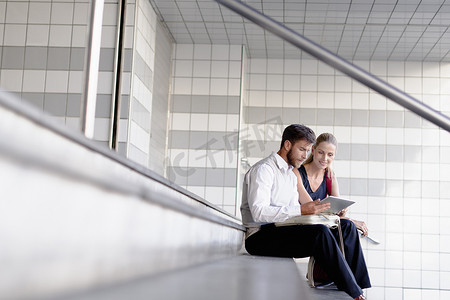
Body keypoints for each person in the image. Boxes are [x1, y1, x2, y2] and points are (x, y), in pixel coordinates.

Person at [241, 124, 368, 300]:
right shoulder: (264, 170)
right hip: (259, 237)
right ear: (287, 145)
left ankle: (359, 286)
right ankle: (355, 293)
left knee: (345, 226)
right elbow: (258, 212)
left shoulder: (290, 175)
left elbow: (294, 213)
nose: (305, 155)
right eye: (302, 149)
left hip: (281, 231)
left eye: (308, 150)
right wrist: (301, 209)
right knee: (320, 233)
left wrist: (326, 214)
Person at [295, 132, 371, 292]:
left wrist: (343, 212)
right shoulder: (298, 173)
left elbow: (339, 212)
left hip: (324, 223)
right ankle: (353, 286)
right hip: (305, 224)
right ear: (313, 150)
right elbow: (311, 208)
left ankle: (358, 287)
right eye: (321, 152)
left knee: (348, 227)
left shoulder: (329, 176)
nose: (325, 158)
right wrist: (348, 220)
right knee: (349, 226)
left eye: (330, 155)